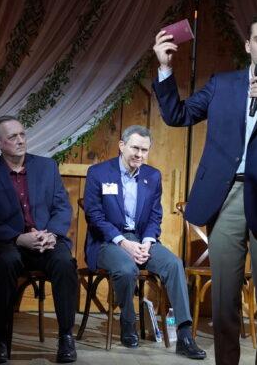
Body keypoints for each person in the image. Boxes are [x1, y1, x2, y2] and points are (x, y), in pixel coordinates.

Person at [152, 13, 257, 365]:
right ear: (248, 45)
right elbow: (178, 115)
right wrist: (165, 70)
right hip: (226, 199)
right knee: (224, 299)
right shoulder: (222, 84)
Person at [83, 125, 206, 360]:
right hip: (107, 241)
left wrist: (147, 243)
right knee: (126, 269)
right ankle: (128, 322)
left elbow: (154, 216)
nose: (139, 155)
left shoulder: (152, 175)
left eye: (144, 150)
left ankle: (185, 334)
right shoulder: (99, 173)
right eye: (135, 148)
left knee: (173, 264)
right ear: (122, 146)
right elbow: (94, 216)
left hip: (141, 241)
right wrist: (123, 243)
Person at [0, 115, 78, 364]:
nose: (20, 140)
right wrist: (19, 238)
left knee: (64, 262)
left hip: (47, 240)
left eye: (22, 134)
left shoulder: (47, 167)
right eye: (12, 137)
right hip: (9, 244)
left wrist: (51, 233)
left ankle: (65, 338)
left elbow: (62, 207)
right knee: (5, 262)